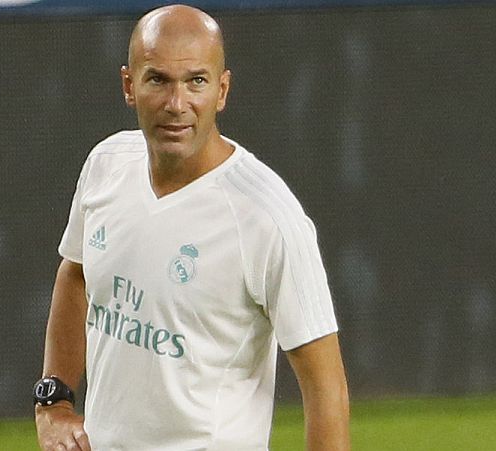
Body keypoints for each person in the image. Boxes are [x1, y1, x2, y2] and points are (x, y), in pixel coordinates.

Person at [34, 4, 350, 450]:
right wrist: (54, 401)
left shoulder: (266, 218)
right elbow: (76, 273)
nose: (176, 104)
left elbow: (326, 389)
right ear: (129, 85)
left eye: (196, 81)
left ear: (222, 91)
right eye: (158, 80)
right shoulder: (107, 165)